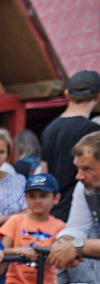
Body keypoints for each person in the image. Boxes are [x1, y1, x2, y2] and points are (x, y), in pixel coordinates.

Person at [44, 70, 100, 221]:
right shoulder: (92, 131)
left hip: (53, 208)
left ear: (67, 93)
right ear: (97, 96)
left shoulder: (49, 128)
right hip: (81, 210)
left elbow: (44, 171)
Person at [49, 132, 100, 284]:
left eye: (87, 169)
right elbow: (77, 226)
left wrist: (77, 246)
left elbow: (78, 241)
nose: (79, 176)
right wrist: (62, 243)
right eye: (78, 168)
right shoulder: (84, 187)